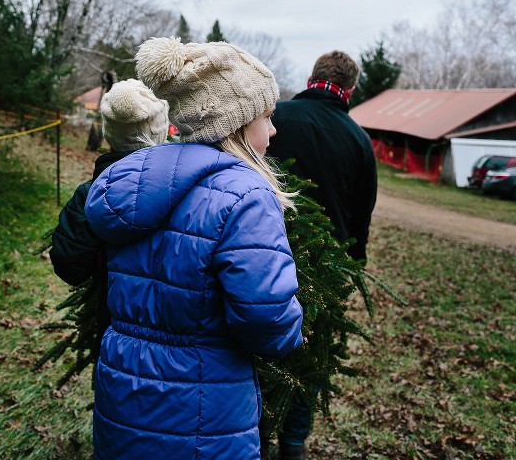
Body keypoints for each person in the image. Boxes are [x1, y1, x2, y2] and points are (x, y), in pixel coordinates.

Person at [84, 36, 304, 460]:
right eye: (267, 116)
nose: (274, 130)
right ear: (236, 121)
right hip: (202, 407)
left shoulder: (133, 178)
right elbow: (266, 318)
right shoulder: (246, 195)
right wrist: (294, 329)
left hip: (123, 390)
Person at [263, 50, 378, 459]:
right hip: (325, 268)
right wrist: (351, 266)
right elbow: (361, 216)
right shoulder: (359, 139)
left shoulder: (274, 118)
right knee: (310, 354)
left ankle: (253, 434)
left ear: (313, 77)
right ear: (349, 89)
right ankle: (293, 443)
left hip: (262, 252)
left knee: (257, 347)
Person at [50, 78, 170, 360]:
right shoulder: (188, 190)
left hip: (115, 333)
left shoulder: (90, 195)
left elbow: (68, 263)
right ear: (160, 131)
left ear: (109, 134)